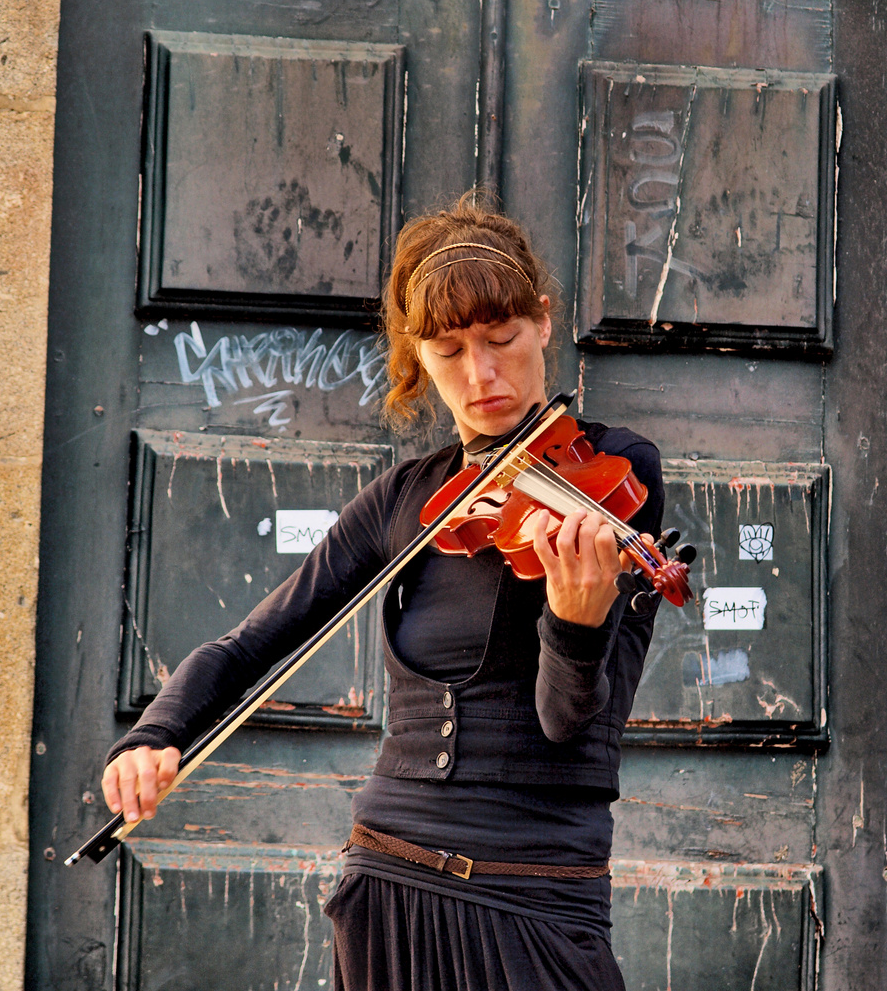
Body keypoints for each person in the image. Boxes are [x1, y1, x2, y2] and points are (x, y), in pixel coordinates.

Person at [101, 193, 667, 990]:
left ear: (542, 322)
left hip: (536, 895)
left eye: (502, 339)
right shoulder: (406, 500)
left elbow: (566, 721)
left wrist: (575, 623)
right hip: (388, 886)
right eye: (448, 351)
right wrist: (155, 733)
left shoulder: (611, 469)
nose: (482, 374)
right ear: (418, 357)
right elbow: (254, 641)